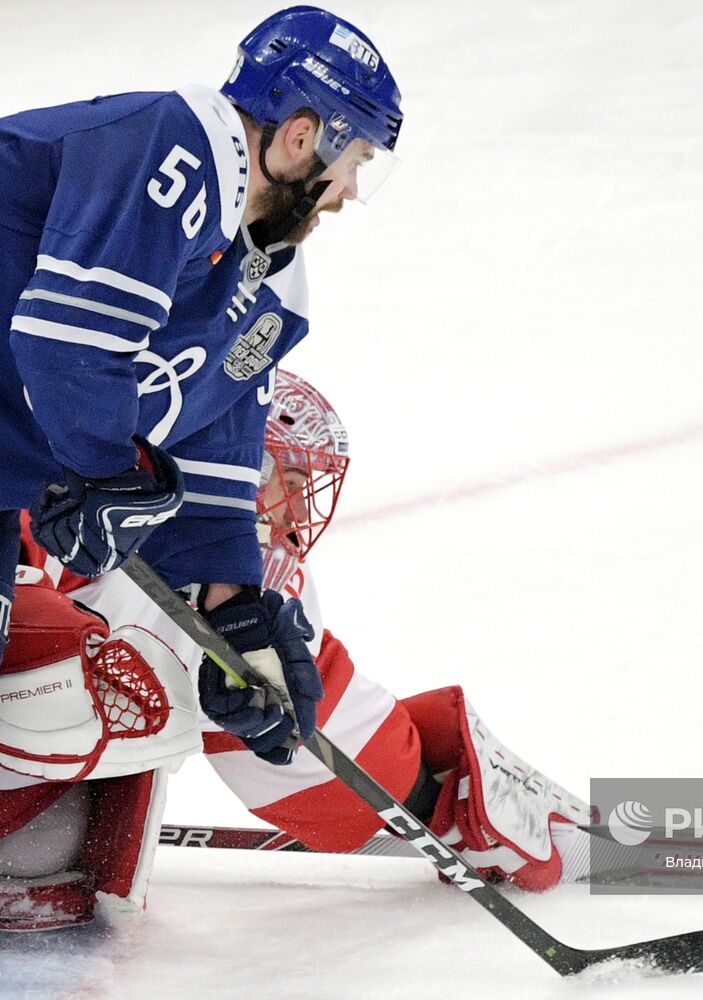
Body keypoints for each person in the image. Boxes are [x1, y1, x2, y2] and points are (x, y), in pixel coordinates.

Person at [0, 371, 589, 930]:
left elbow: (307, 751)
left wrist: (440, 792)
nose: (295, 514)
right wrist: (443, 803)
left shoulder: (228, 584)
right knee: (59, 696)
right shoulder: (81, 523)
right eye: (289, 483)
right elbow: (327, 779)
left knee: (66, 805)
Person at [0, 6, 403, 765]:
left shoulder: (270, 276)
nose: (350, 191)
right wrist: (106, 469)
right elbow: (67, 340)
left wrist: (233, 601)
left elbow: (214, 431)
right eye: (356, 160)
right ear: (302, 135)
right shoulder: (171, 143)